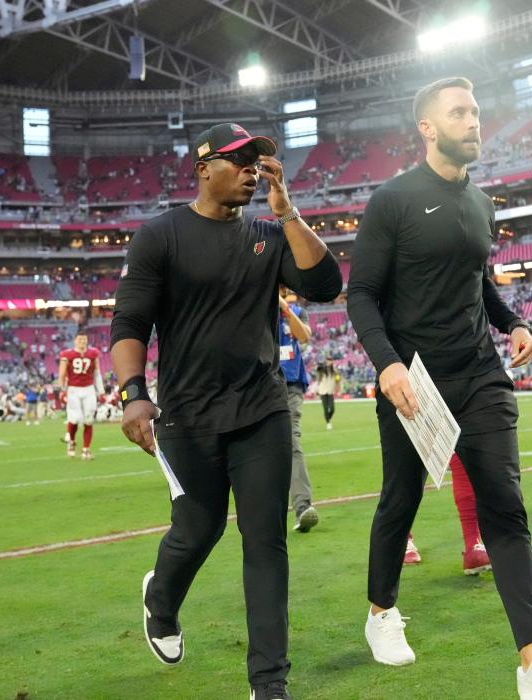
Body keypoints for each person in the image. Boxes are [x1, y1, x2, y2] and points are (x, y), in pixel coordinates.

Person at [347, 77, 532, 700]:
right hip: (414, 383)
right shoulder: (393, 201)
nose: (473, 121)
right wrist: (387, 365)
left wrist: (511, 320)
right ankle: (381, 612)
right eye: (458, 112)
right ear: (428, 128)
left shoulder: (481, 203)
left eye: (476, 111)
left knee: (505, 506)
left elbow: (478, 280)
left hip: (481, 373)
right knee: (399, 501)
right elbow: (361, 294)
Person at [110, 122, 342, 700]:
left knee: (265, 541)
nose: (252, 169)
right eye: (239, 159)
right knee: (198, 527)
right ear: (203, 167)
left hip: (261, 410)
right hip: (186, 417)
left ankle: (269, 683)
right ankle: (160, 600)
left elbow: (325, 283)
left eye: (258, 160)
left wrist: (287, 212)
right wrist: (133, 392)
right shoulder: (160, 235)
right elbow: (130, 322)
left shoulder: (266, 236)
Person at [278, 288, 320, 533]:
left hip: (291, 383)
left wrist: (283, 308)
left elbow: (304, 336)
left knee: (292, 441)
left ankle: (303, 506)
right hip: (261, 385)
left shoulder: (296, 311)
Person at [59, 332, 103, 460]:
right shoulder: (67, 354)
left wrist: (101, 391)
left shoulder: (93, 353)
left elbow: (97, 373)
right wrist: (62, 390)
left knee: (88, 420)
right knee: (75, 419)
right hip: (73, 390)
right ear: (75, 341)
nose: (82, 342)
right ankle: (71, 442)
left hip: (89, 389)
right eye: (80, 339)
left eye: (84, 339)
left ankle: (86, 449)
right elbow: (61, 374)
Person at [315, 358, 340, 430]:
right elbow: (318, 368)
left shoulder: (334, 371)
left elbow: (338, 379)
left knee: (332, 409)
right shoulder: (322, 369)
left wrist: (338, 387)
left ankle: (328, 418)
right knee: (325, 408)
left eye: (330, 361)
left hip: (330, 391)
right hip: (322, 391)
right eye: (328, 361)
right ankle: (328, 423)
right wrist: (323, 365)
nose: (329, 362)